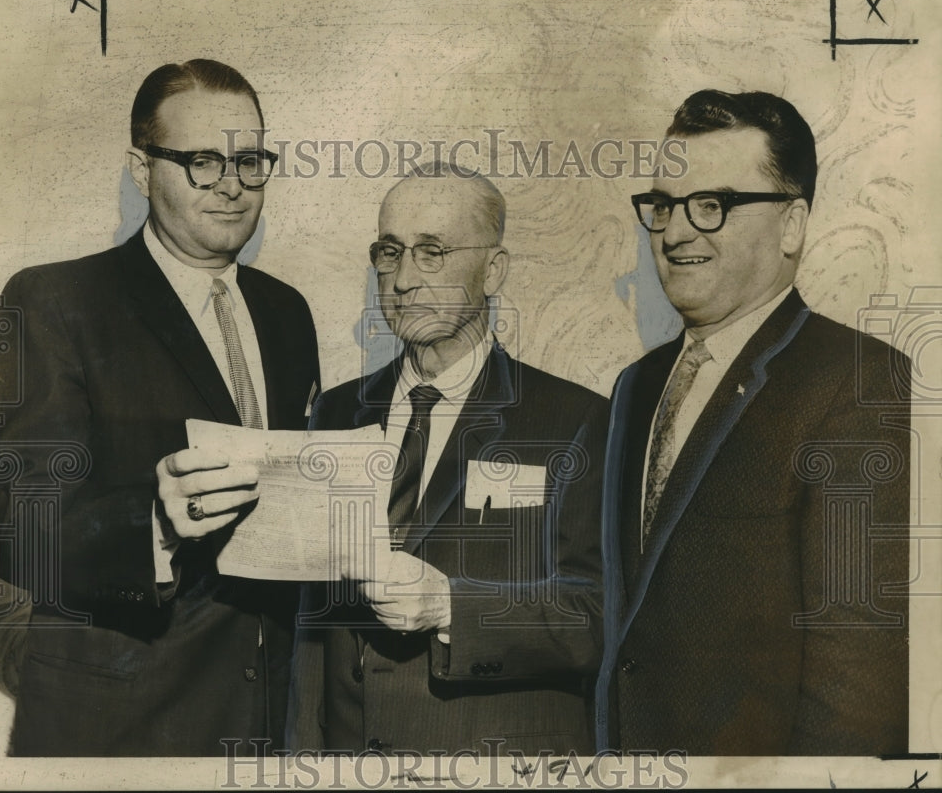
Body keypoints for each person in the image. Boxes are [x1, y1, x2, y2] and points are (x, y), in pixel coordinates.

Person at [0, 58, 320, 756]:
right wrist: (154, 523)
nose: (231, 185)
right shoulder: (55, 302)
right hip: (116, 731)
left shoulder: (287, 314)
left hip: (267, 727)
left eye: (251, 161)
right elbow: (16, 531)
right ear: (140, 168)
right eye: (202, 161)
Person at [597, 90, 910, 755]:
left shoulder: (857, 383)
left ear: (792, 225)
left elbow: (857, 685)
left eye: (712, 205)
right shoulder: (636, 388)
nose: (677, 231)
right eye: (664, 206)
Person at [286, 162, 610, 756]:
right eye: (390, 251)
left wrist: (449, 607)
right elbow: (313, 628)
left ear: (493, 270)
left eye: (432, 252)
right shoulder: (334, 415)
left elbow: (599, 614)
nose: (404, 278)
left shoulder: (577, 420)